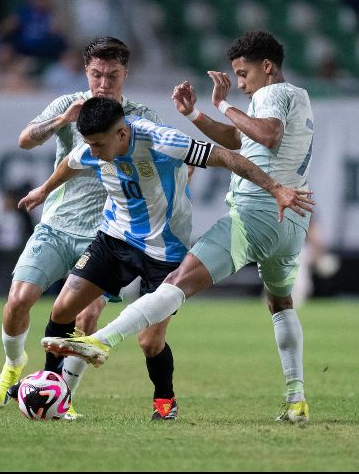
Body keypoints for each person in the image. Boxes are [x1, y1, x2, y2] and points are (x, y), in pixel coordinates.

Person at [41, 31, 317, 424]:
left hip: (257, 213)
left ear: (267, 67)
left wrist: (222, 104)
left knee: (177, 282)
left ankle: (102, 340)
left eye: (243, 74)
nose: (240, 84)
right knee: (280, 303)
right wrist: (195, 115)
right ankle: (296, 399)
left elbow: (266, 135)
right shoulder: (300, 97)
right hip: (293, 220)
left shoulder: (270, 93)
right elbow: (240, 139)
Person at [0, 37, 180, 421]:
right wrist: (64, 120)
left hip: (108, 233)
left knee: (86, 317)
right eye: (96, 75)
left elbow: (168, 155)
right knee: (19, 301)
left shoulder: (140, 116)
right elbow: (25, 140)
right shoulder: (68, 104)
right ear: (86, 72)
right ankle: (13, 362)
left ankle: (61, 396)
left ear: (125, 74)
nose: (103, 84)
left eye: (112, 75)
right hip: (58, 224)